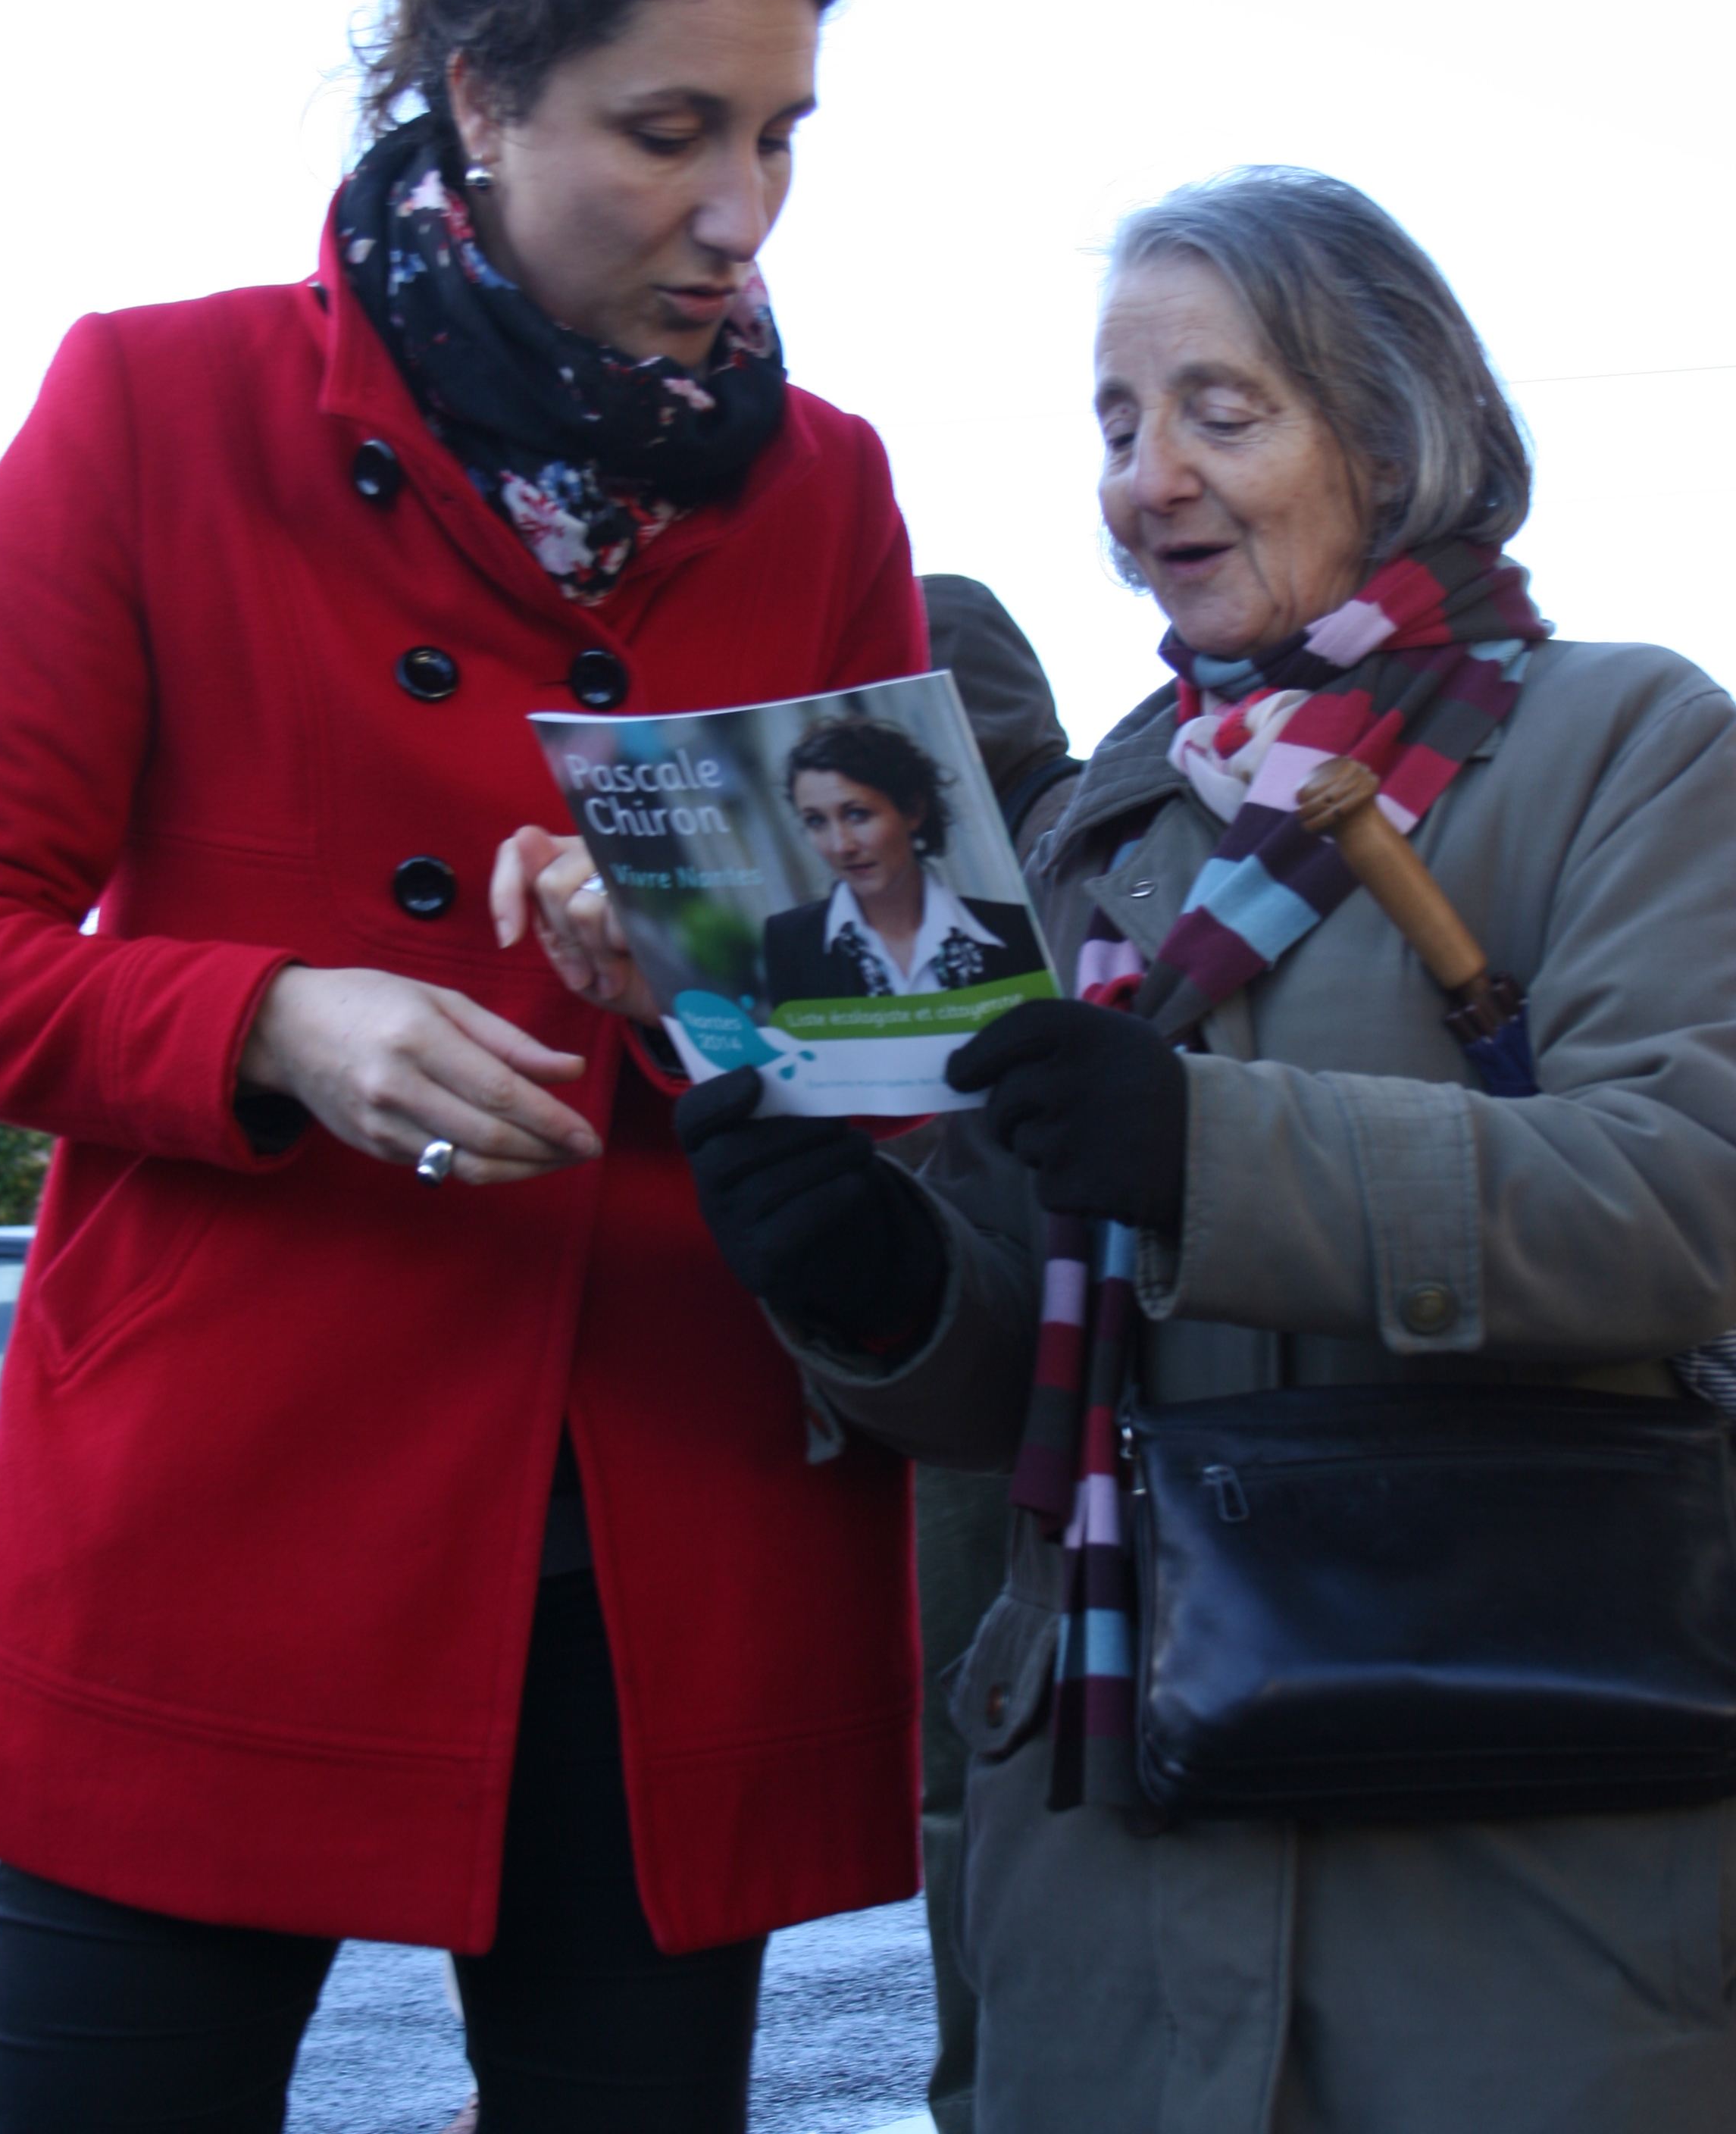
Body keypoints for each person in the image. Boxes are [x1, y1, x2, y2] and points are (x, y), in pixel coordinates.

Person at [0, 0, 929, 2134]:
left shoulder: (823, 487)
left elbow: (893, 1015)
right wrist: (274, 1017)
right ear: (481, 95)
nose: (743, 210)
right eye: (670, 129)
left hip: (667, 1522)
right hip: (232, 1505)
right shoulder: (157, 405)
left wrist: (701, 959)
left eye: (785, 133)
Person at [676, 167, 1736, 2132]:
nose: (1147, 479)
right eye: (1114, 421)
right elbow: (1017, 1366)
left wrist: (1203, 1148)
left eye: (1220, 414)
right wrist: (875, 1283)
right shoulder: (1093, 827)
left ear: (1396, 427)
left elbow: (1691, 1200)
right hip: (1115, 1903)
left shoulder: (1632, 745)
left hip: (1518, 1876)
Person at [895, 577, 1081, 2134]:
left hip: (1004, 1354)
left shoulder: (1061, 860)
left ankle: (983, 2095)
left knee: (979, 1764)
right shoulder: (1082, 843)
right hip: (966, 1331)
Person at [764, 718, 1046, 1004]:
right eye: (815, 821)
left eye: (857, 814)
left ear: (913, 811)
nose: (841, 846)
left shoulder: (1015, 930)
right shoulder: (790, 942)